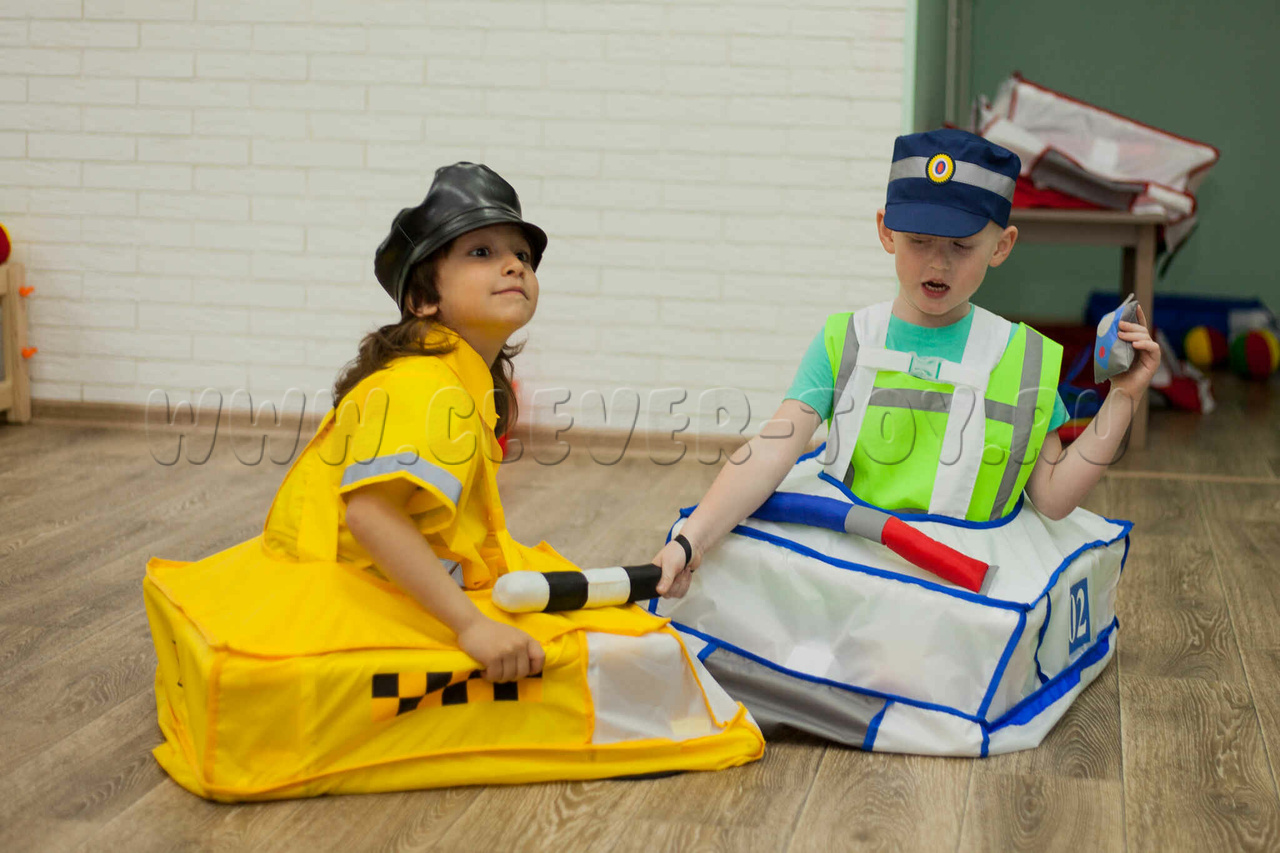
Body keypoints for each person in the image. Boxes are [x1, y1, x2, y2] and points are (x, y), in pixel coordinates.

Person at [142, 163, 763, 801]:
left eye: (522, 255)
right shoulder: (428, 388)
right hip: (359, 584)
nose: (514, 265)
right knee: (638, 659)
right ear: (423, 299)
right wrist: (471, 627)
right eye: (481, 252)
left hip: (386, 573)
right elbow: (371, 515)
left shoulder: (454, 381)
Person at [645, 130, 1155, 756]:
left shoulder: (1024, 359)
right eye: (918, 242)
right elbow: (774, 446)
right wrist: (693, 538)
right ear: (885, 231)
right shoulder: (845, 337)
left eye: (961, 246)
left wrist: (1123, 397)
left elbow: (1051, 498)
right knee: (722, 572)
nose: (937, 264)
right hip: (846, 543)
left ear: (1002, 245)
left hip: (954, 566)